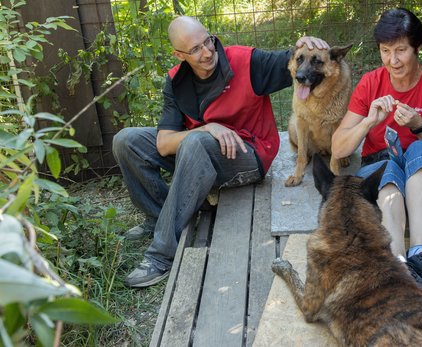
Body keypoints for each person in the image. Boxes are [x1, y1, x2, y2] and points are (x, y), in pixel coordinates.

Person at [113, 15, 328, 288]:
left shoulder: (248, 63)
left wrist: (307, 47)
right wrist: (208, 128)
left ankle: (161, 256)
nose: (207, 52)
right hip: (200, 150)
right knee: (126, 140)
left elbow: (296, 60)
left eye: (208, 41)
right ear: (178, 55)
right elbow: (164, 143)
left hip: (250, 154)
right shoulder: (176, 81)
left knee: (193, 143)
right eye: (195, 50)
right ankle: (158, 216)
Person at [331, 8, 422, 297]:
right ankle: (399, 263)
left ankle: (420, 254)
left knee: (418, 148)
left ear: (417, 48)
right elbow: (338, 147)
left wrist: (420, 127)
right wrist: (369, 122)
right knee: (390, 166)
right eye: (385, 50)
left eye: (401, 50)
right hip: (377, 172)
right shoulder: (370, 84)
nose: (393, 60)